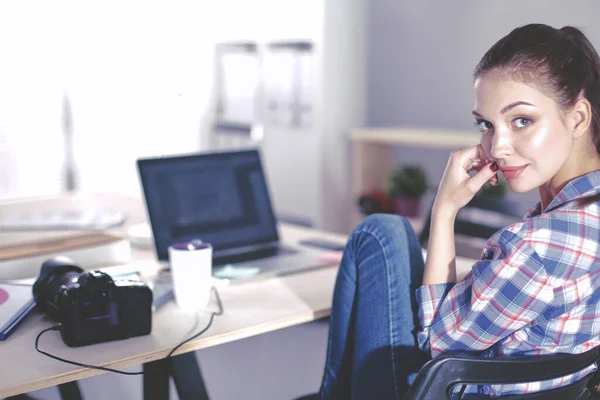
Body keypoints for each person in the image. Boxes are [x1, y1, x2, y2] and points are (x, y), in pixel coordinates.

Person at [314, 23, 600, 399]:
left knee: (382, 234)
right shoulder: (580, 224)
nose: (497, 147)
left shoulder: (539, 246)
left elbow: (436, 346)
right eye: (486, 125)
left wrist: (445, 209)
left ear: (579, 117)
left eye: (521, 121)